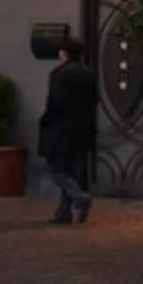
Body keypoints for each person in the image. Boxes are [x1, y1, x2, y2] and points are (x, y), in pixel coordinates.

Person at [37, 36, 96, 224]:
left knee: (57, 170)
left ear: (64, 54)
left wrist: (46, 120)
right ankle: (63, 213)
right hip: (83, 129)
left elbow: (55, 102)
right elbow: (95, 100)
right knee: (71, 169)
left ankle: (80, 197)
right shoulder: (89, 74)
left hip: (61, 128)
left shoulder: (59, 75)